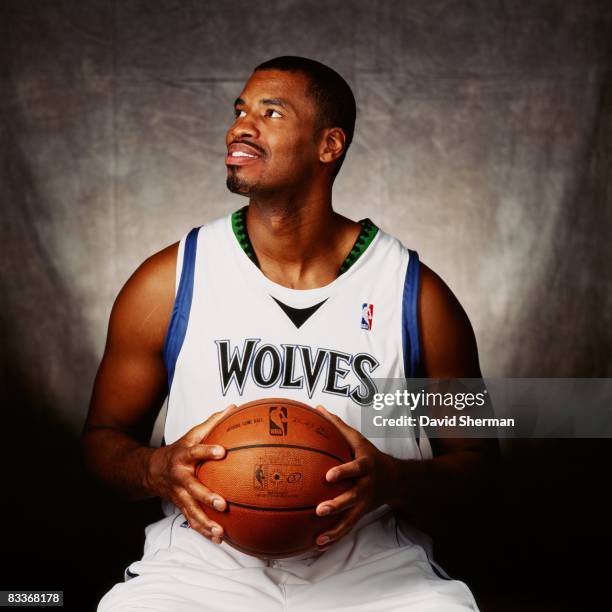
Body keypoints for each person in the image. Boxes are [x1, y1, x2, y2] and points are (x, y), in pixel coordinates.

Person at [83, 56, 497, 611]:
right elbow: (102, 439)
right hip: (203, 567)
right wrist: (156, 470)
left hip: (373, 571)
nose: (240, 127)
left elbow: (480, 466)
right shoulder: (170, 280)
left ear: (330, 145)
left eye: (270, 112)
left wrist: (395, 480)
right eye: (239, 111)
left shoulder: (414, 294)